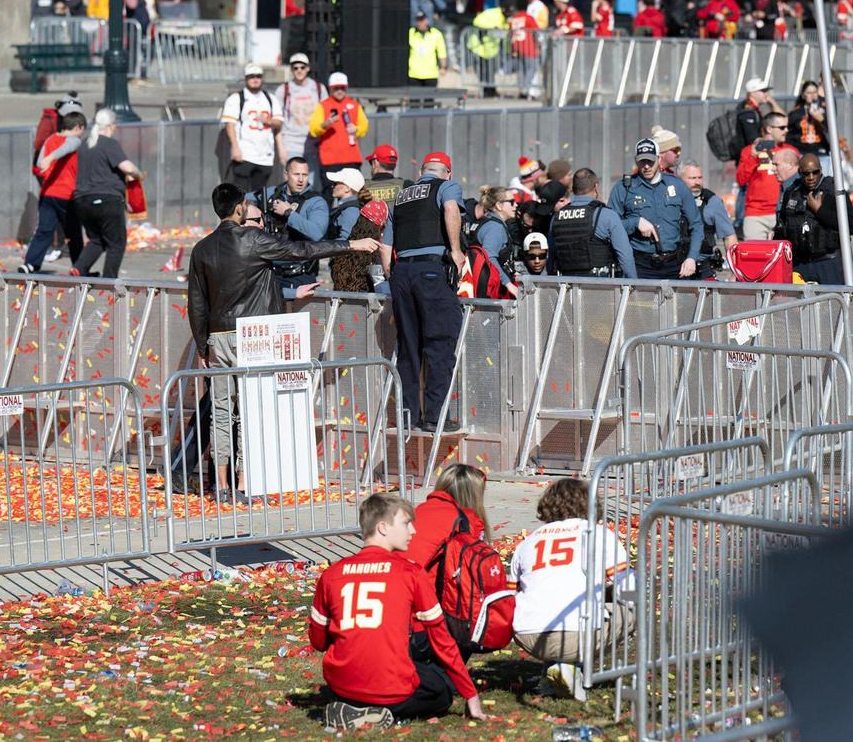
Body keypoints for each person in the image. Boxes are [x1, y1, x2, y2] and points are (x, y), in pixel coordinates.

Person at [188, 184, 379, 503]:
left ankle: (221, 485)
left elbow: (197, 301)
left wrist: (201, 345)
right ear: (238, 210)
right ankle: (246, 483)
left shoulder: (202, 249)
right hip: (253, 333)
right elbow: (302, 251)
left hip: (218, 335)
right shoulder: (253, 240)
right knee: (253, 410)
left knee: (221, 412)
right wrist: (352, 244)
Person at [309, 492, 486, 730]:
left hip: (342, 685)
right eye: (406, 523)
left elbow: (318, 641)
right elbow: (442, 640)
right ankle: (377, 711)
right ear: (382, 528)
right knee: (441, 690)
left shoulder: (332, 574)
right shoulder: (410, 573)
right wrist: (470, 694)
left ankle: (353, 706)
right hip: (391, 687)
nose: (413, 530)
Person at [509, 478, 633, 702]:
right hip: (576, 635)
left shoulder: (527, 542)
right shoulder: (599, 534)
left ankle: (554, 671)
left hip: (528, 634)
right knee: (630, 612)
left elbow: (512, 592)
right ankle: (571, 667)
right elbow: (627, 586)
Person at [382, 151, 465, 433]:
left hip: (402, 272)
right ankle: (435, 417)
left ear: (421, 171)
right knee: (440, 345)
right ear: (447, 172)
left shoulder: (402, 196)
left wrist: (391, 274)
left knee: (409, 349)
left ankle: (408, 416)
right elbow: (451, 210)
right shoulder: (446, 187)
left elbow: (386, 243)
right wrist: (455, 251)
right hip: (431, 271)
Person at [609, 139, 703, 280]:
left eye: (650, 161)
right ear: (635, 161)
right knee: (641, 303)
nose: (646, 166)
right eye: (642, 161)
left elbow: (697, 224)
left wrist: (691, 258)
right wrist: (635, 223)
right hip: (640, 265)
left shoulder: (676, 185)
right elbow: (610, 226)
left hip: (675, 265)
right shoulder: (623, 188)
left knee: (676, 302)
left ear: (659, 159)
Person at [70, 109, 140, 279]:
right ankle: (109, 279)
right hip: (107, 199)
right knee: (116, 242)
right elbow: (128, 168)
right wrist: (137, 174)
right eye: (115, 125)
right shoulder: (109, 144)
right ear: (110, 126)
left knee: (97, 239)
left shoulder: (84, 144)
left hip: (82, 201)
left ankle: (79, 268)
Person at [775, 153, 853, 285]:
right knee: (797, 304)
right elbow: (781, 229)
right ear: (799, 172)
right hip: (800, 264)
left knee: (835, 303)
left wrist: (819, 210)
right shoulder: (792, 193)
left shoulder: (833, 191)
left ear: (821, 170)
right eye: (806, 173)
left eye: (815, 172)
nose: (811, 177)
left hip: (829, 263)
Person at [21, 111, 86, 275]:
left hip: (48, 193)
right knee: (74, 234)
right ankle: (80, 267)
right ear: (78, 127)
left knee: (44, 231)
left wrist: (47, 161)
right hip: (66, 195)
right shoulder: (74, 141)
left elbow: (39, 163)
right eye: (82, 130)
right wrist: (51, 158)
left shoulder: (50, 139)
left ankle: (30, 264)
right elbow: (69, 146)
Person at [257, 157, 331, 292]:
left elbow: (317, 233)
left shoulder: (316, 201)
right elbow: (243, 200)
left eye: (305, 175)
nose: (301, 180)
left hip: (299, 276)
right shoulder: (273, 193)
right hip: (270, 273)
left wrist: (288, 213)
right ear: (286, 174)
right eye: (296, 174)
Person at [549, 168, 637, 279]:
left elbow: (551, 258)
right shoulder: (606, 215)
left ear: (573, 189)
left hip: (566, 288)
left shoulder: (557, 217)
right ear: (596, 187)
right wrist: (634, 287)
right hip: (598, 288)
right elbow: (625, 257)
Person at [221, 63, 283, 194]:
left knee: (260, 194)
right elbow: (230, 124)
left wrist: (268, 121)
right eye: (251, 76)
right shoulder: (236, 98)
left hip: (265, 155)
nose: (255, 79)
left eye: (258, 76)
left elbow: (279, 123)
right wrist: (235, 147)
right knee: (240, 193)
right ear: (245, 79)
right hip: (245, 153)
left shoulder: (270, 99)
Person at [274, 53, 328, 190]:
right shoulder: (283, 90)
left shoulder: (319, 88)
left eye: (302, 67)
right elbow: (278, 121)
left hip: (314, 145)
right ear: (291, 69)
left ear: (308, 68)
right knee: (291, 186)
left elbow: (326, 118)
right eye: (295, 67)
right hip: (291, 144)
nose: (299, 70)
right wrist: (280, 148)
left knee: (313, 186)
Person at [736, 112, 792, 240]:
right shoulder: (750, 151)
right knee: (754, 256)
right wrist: (754, 157)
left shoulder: (790, 151)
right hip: (755, 214)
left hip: (782, 213)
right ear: (769, 129)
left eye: (787, 127)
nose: (786, 130)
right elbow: (741, 180)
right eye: (782, 128)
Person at [309, 73, 369, 193]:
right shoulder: (323, 105)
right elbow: (313, 129)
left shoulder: (355, 105)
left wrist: (356, 129)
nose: (339, 91)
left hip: (351, 158)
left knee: (355, 192)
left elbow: (365, 125)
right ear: (330, 88)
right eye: (336, 88)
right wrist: (326, 124)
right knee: (329, 194)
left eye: (342, 88)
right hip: (329, 159)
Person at [679, 160, 738, 278]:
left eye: (699, 177)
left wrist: (735, 273)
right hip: (675, 266)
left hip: (703, 268)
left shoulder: (712, 202)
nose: (697, 182)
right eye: (692, 178)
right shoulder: (671, 200)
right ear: (680, 179)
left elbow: (729, 237)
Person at [466, 187, 522, 298]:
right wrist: (508, 283)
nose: (515, 205)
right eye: (511, 202)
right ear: (499, 205)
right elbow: (490, 257)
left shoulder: (485, 221)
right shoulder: (495, 227)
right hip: (489, 290)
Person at [331, 200, 391, 294]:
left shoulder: (348, 247)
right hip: (367, 304)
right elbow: (381, 286)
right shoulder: (376, 252)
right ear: (383, 223)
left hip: (345, 303)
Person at [787, 81, 832, 174]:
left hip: (821, 152)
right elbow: (788, 133)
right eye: (809, 93)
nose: (812, 95)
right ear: (803, 95)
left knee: (823, 179)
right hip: (802, 153)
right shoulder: (796, 113)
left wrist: (822, 120)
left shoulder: (825, 111)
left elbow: (832, 130)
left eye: (815, 92)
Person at [466, 4, 507, 98]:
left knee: (490, 70)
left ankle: (491, 89)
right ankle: (486, 90)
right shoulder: (494, 14)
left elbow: (503, 31)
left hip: (490, 49)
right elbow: (478, 22)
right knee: (484, 71)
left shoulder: (499, 16)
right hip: (480, 48)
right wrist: (492, 28)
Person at [327, 168, 374, 241]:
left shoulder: (350, 211)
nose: (332, 186)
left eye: (335, 183)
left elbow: (346, 241)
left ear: (347, 188)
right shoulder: (348, 207)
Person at [508, 0, 542, 100]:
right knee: (532, 68)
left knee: (521, 70)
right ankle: (525, 89)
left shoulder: (514, 18)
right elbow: (536, 32)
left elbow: (510, 33)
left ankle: (522, 89)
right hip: (528, 47)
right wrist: (538, 45)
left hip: (516, 46)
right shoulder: (528, 18)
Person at [408, 11, 448, 88]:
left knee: (429, 99)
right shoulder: (410, 33)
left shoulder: (436, 34)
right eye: (418, 20)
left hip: (430, 73)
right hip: (413, 73)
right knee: (414, 98)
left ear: (427, 20)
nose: (420, 23)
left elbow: (442, 52)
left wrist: (443, 67)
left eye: (422, 20)